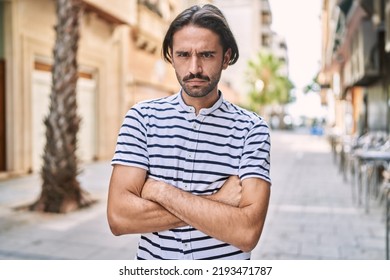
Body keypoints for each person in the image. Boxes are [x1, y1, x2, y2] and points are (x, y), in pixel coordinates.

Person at [107, 4, 271, 260]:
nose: (194, 68)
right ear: (171, 56)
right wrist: (219, 201)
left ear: (226, 57)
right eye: (184, 55)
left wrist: (160, 192)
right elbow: (119, 217)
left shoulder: (252, 129)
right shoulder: (141, 118)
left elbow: (247, 232)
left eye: (206, 55)